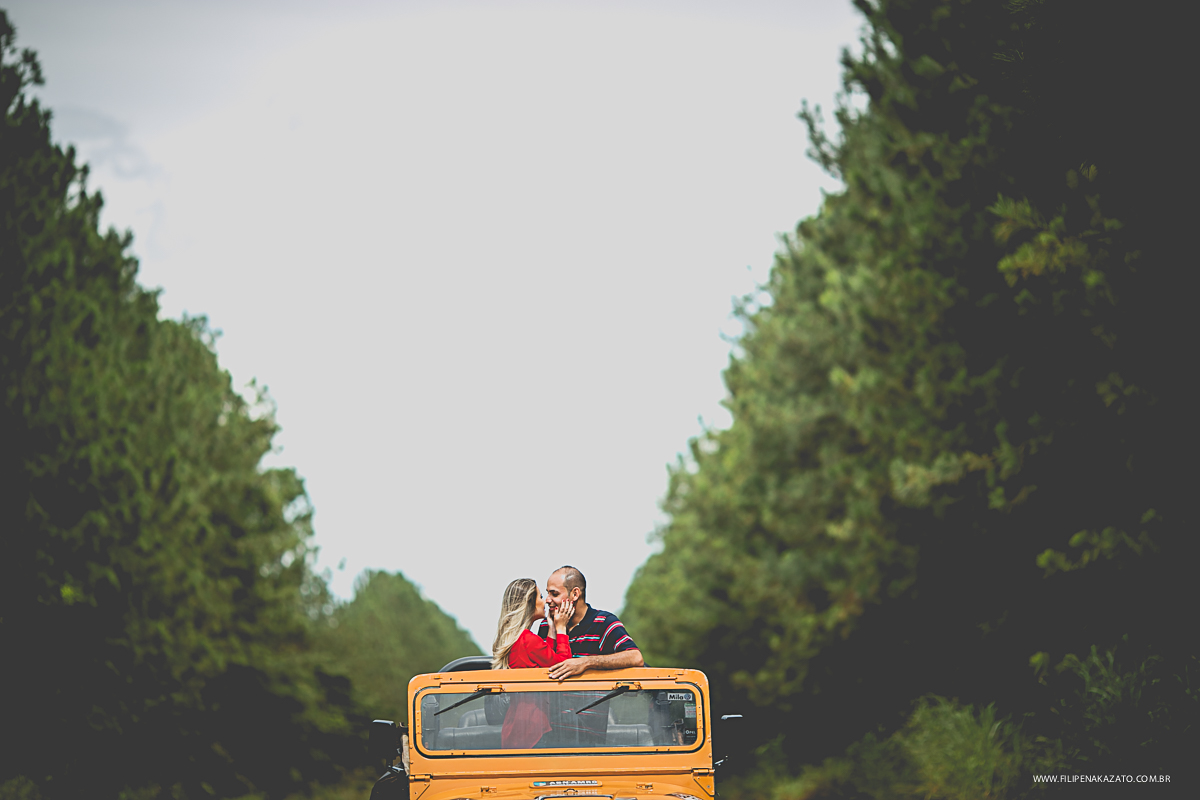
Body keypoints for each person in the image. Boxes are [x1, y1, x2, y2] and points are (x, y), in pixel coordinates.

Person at [491, 578, 575, 748]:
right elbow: (563, 667)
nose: (545, 601)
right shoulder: (528, 640)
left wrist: (551, 628)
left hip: (517, 728)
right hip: (533, 730)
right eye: (541, 596)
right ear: (529, 603)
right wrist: (561, 628)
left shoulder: (518, 639)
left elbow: (546, 661)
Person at [536, 566, 644, 679]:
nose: (547, 600)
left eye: (554, 594)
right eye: (547, 593)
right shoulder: (546, 625)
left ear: (575, 594)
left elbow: (635, 657)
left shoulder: (604, 622)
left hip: (598, 697)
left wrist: (586, 662)